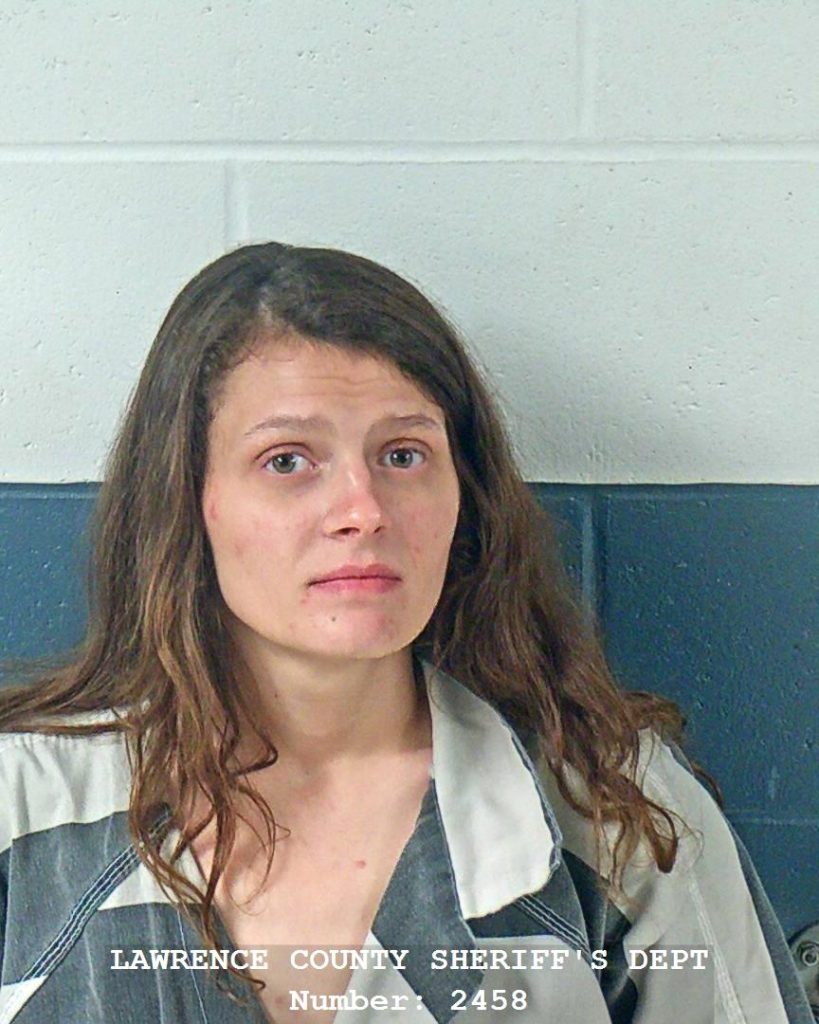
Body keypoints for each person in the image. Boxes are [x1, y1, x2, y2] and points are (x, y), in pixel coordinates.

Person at [0, 242, 811, 1024]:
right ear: (188, 500)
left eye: (402, 455)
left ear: (463, 496)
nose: (362, 511)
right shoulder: (22, 809)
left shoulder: (615, 808)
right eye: (287, 461)